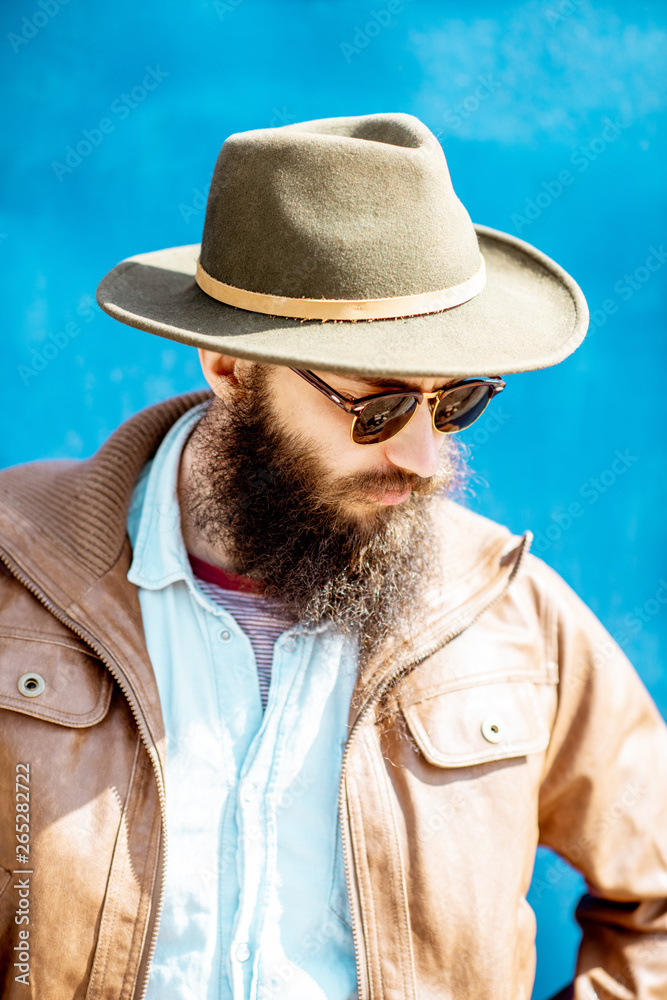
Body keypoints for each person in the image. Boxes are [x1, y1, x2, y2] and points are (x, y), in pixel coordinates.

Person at [0, 112, 665, 1000]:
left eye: (455, 403)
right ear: (227, 365)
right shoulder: (18, 573)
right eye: (377, 408)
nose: (424, 457)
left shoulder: (510, 615)